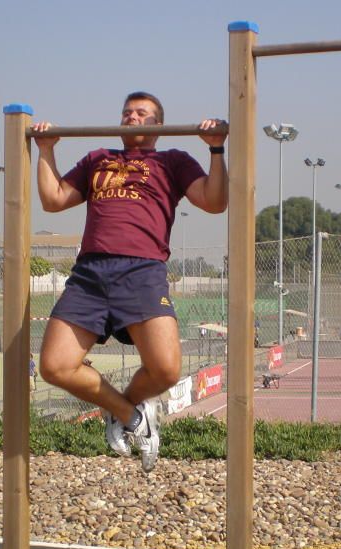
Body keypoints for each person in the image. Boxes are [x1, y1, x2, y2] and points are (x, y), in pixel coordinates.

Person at [32, 91, 226, 472]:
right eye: (126, 113)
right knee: (55, 366)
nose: (132, 118)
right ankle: (129, 415)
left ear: (159, 125)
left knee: (166, 369)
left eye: (142, 114)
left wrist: (216, 150)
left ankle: (125, 410)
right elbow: (53, 200)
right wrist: (45, 149)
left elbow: (214, 202)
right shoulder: (97, 160)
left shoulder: (172, 161)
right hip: (90, 273)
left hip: (142, 271)